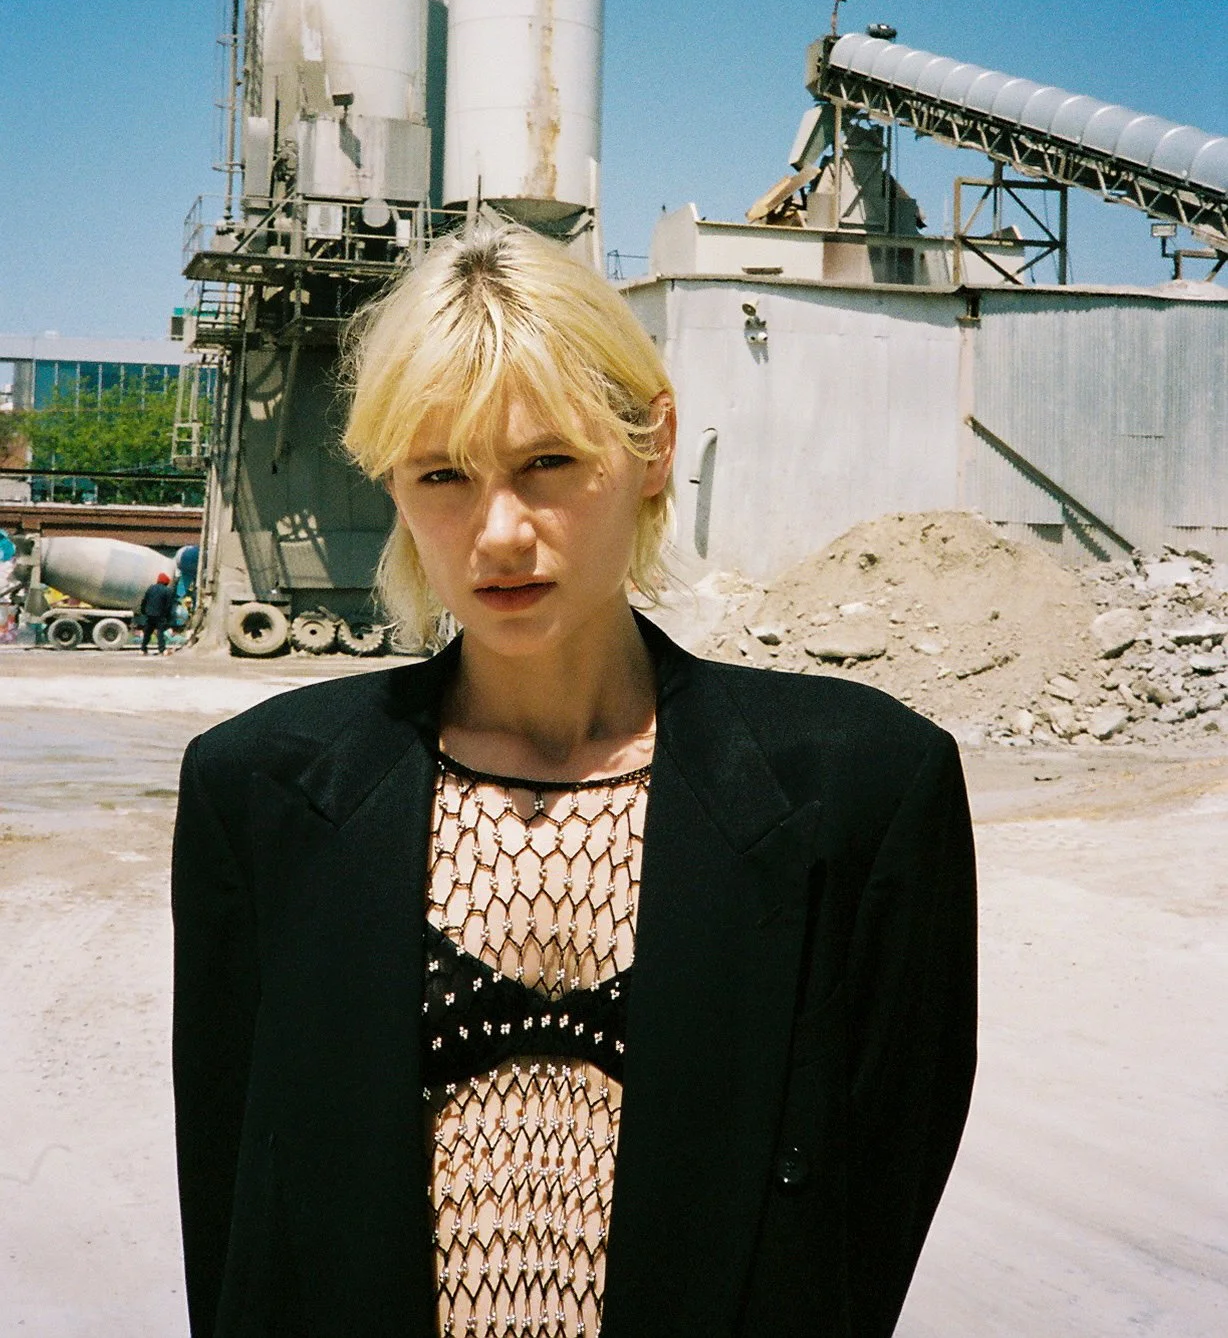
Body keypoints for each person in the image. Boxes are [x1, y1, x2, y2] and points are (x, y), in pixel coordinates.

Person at [171, 222, 977, 1338]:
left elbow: (867, 1216)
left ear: (653, 448)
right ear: (394, 486)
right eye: (443, 475)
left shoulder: (865, 792)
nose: (499, 533)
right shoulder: (260, 792)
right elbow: (239, 1219)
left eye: (548, 463)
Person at [139, 571, 175, 654]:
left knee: (147, 632)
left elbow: (144, 600)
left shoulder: (151, 588)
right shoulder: (167, 590)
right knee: (160, 632)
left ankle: (142, 649)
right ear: (166, 582)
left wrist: (143, 611)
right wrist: (167, 616)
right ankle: (162, 649)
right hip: (160, 615)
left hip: (149, 614)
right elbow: (168, 605)